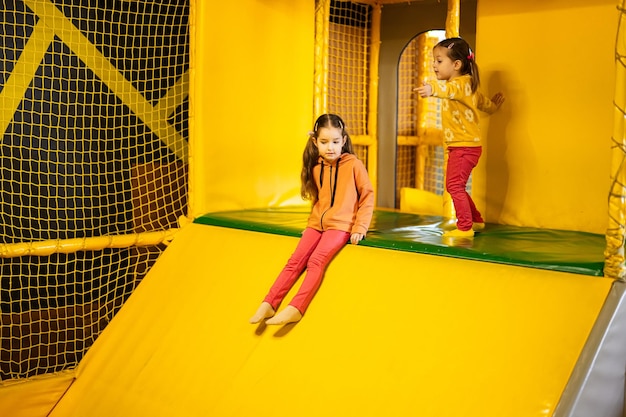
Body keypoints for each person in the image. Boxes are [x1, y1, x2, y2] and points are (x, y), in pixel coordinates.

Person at [249, 114, 375, 325]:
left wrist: (360, 226)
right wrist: (311, 224)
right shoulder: (317, 167)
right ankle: (269, 303)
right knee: (294, 262)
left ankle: (296, 307)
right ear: (315, 141)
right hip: (317, 224)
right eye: (324, 142)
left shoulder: (353, 165)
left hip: (341, 226)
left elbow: (367, 194)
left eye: (335, 142)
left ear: (344, 140)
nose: (330, 147)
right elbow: (319, 200)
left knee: (316, 261)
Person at [415, 37, 505, 237]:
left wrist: (432, 89)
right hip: (463, 146)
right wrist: (493, 106)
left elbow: (448, 90)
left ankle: (465, 227)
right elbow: (482, 103)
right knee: (457, 185)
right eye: (434, 61)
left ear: (456, 64)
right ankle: (476, 220)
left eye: (439, 61)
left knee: (454, 186)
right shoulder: (468, 86)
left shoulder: (459, 85)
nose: (434, 65)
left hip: (464, 147)